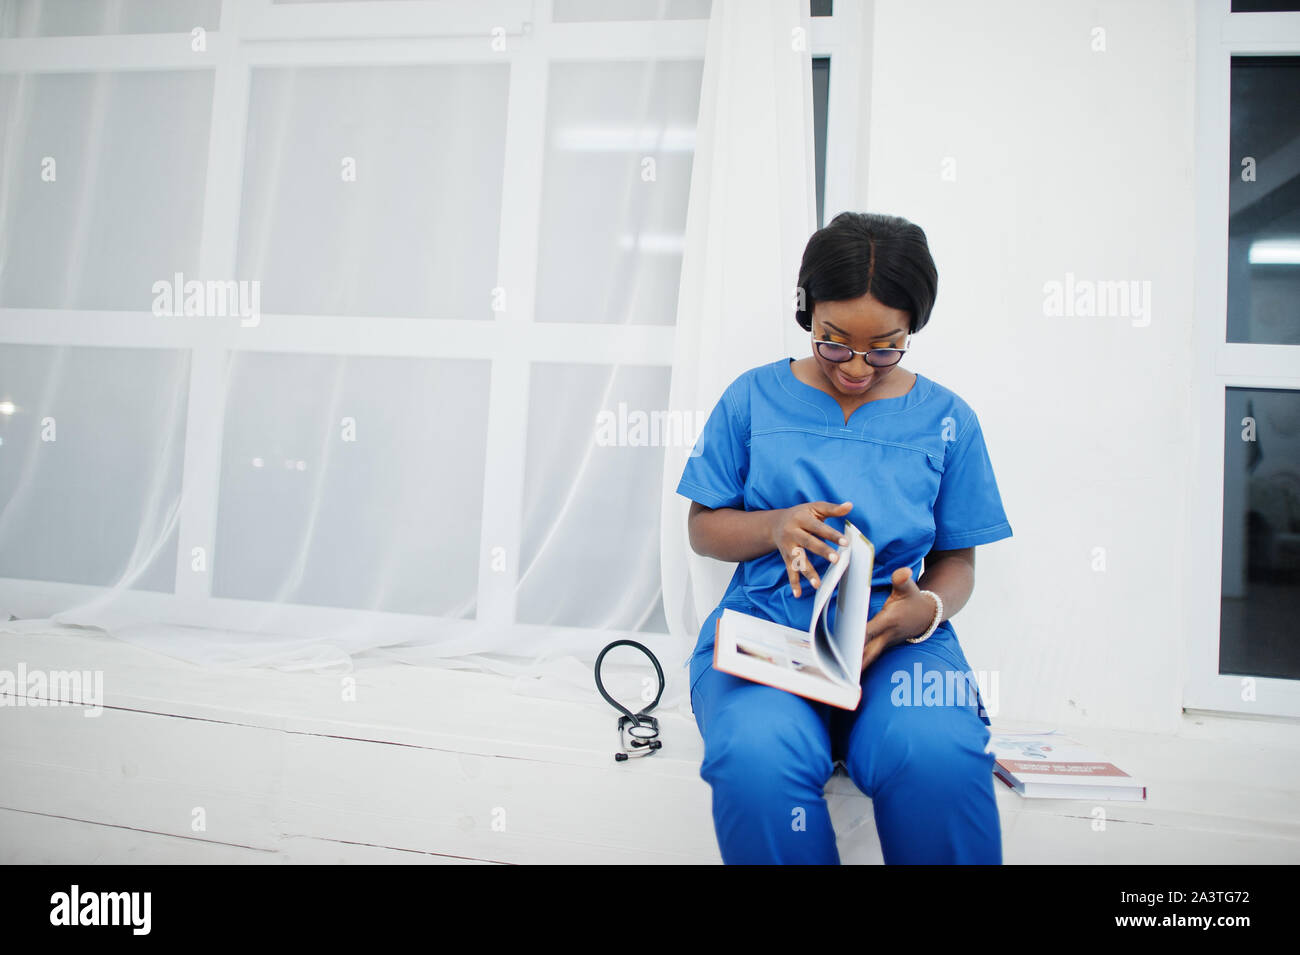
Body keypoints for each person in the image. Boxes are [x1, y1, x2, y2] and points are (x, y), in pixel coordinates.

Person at [676, 211, 1012, 865]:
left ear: (914, 327)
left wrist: (927, 609)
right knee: (754, 757)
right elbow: (702, 527)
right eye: (834, 341)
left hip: (897, 643)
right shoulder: (752, 399)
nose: (857, 366)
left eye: (885, 346)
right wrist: (772, 525)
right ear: (807, 313)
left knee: (938, 756)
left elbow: (958, 561)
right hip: (768, 637)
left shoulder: (948, 420)